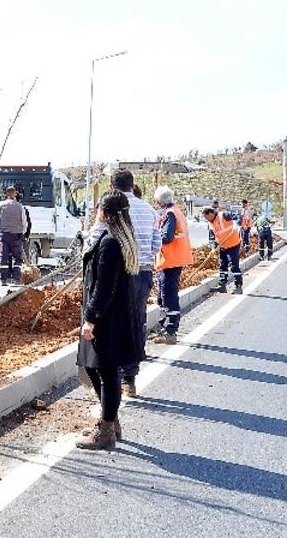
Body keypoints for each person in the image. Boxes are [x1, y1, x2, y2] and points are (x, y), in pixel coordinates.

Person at [76, 190, 145, 450]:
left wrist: (91, 319)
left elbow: (104, 288)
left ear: (103, 213)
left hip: (106, 318)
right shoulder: (117, 239)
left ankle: (106, 431)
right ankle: (110, 421)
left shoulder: (110, 243)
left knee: (105, 371)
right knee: (95, 367)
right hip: (113, 315)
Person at [99, 169, 160, 398]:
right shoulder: (149, 210)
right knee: (137, 320)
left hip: (117, 273)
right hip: (142, 273)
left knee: (113, 322)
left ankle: (112, 378)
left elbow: (98, 239)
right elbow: (156, 245)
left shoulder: (112, 209)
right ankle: (130, 378)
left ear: (112, 186)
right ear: (133, 185)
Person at [153, 186, 193, 344]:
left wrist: (153, 238)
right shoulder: (175, 211)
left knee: (168, 295)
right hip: (174, 259)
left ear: (159, 201)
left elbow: (167, 237)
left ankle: (170, 331)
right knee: (165, 295)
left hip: (171, 259)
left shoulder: (170, 214)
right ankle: (166, 328)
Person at [0, 185, 29, 286]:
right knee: (18, 258)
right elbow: (24, 222)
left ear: (6, 194)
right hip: (16, 235)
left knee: (3, 257)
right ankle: (16, 279)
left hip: (4, 235)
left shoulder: (0, 205)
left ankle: (3, 279)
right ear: (15, 194)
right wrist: (23, 233)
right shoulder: (20, 206)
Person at [204, 206, 243, 294]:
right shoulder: (210, 223)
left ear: (211, 213)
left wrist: (236, 225)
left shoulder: (224, 215)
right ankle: (222, 285)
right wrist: (213, 248)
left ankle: (238, 286)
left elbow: (237, 217)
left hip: (233, 244)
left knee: (234, 266)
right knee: (223, 266)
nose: (206, 219)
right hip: (223, 247)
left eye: (207, 217)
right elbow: (211, 238)